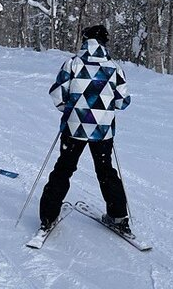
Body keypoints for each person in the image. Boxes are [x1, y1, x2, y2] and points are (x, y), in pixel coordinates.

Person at [38, 24, 132, 233]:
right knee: (106, 171)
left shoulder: (73, 63)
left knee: (63, 169)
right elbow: (123, 102)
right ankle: (118, 216)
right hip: (102, 131)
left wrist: (70, 110)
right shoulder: (114, 67)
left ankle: (48, 217)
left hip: (74, 128)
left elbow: (57, 94)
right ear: (104, 42)